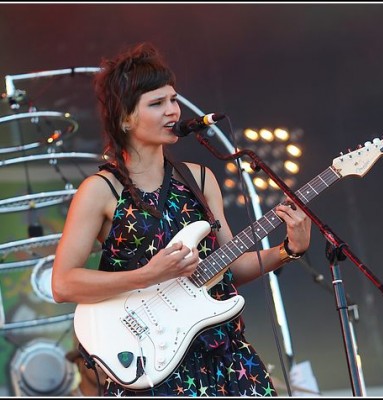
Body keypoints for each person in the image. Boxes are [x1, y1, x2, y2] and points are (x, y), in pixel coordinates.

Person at [51, 42, 311, 397]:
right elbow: (63, 284)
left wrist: (288, 250)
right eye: (157, 104)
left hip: (226, 356)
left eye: (173, 100)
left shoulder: (201, 179)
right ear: (125, 117)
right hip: (154, 363)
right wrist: (148, 275)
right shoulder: (100, 190)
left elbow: (229, 268)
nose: (172, 111)